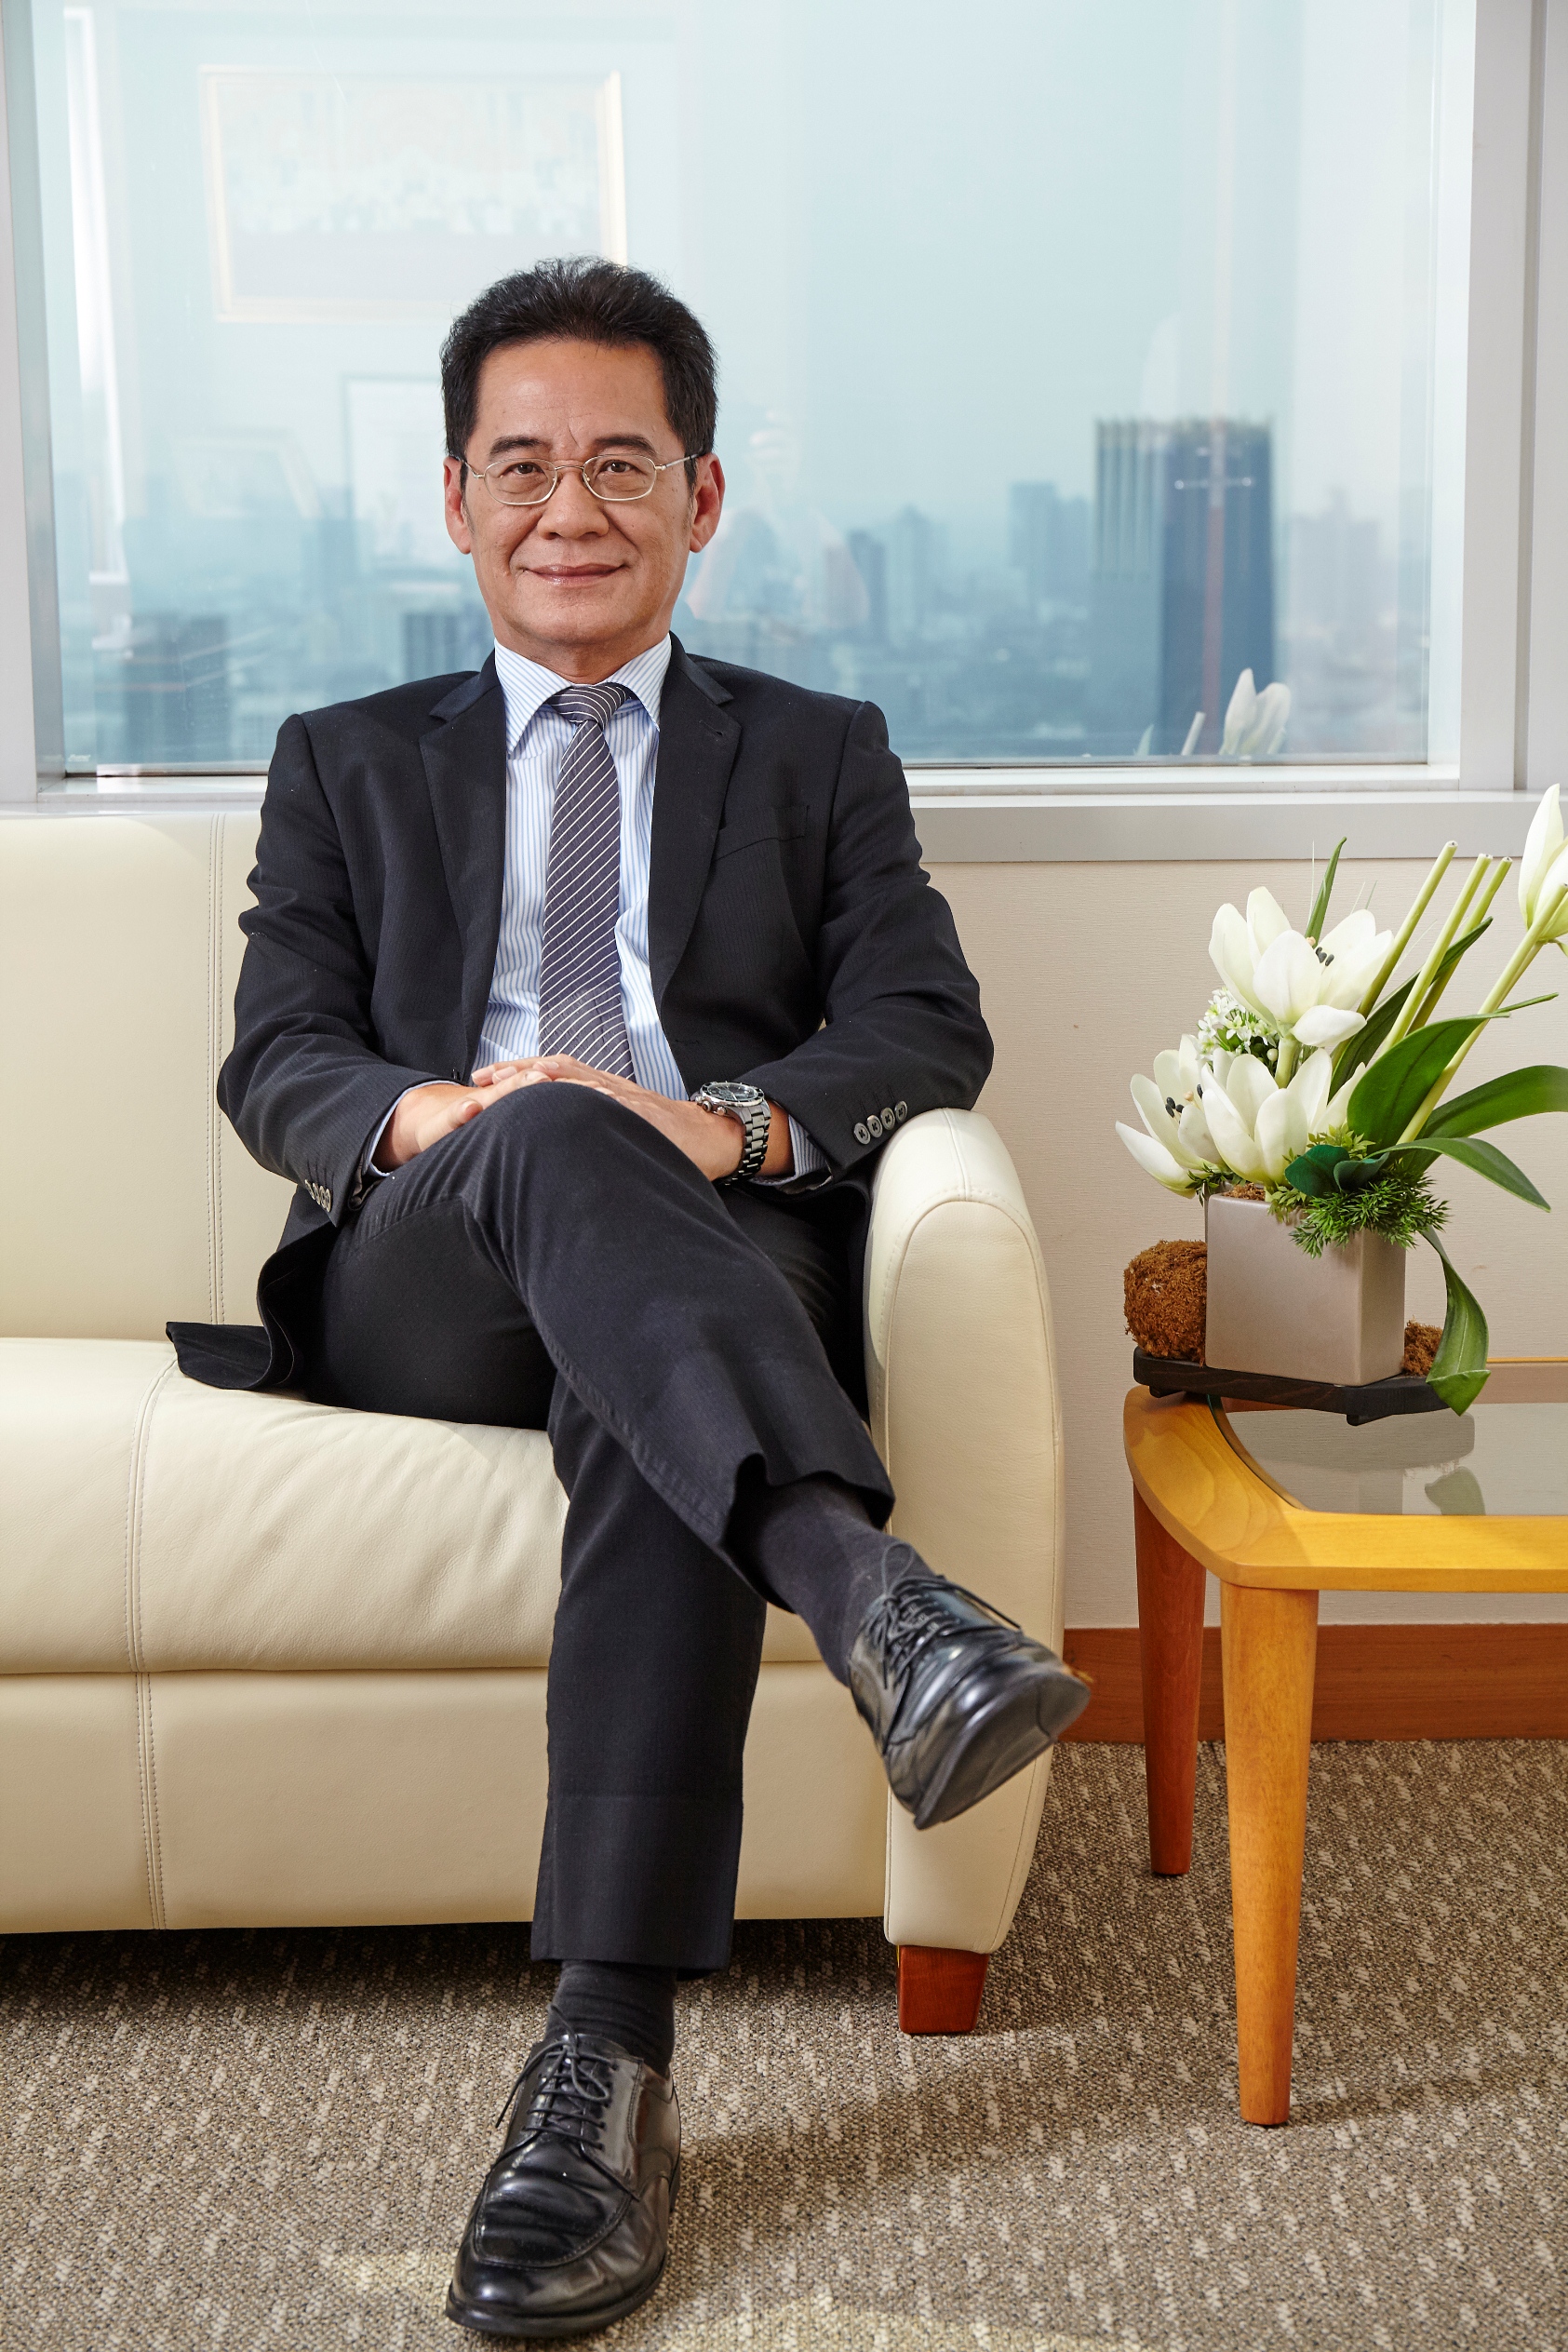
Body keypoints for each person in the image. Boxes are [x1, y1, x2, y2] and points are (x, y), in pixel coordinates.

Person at [171, 257, 1088, 2343]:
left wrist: (725, 1129)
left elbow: (922, 1025)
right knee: (557, 1130)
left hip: (700, 1266)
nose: (567, 508)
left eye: (618, 463)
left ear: (702, 494)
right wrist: (455, 1116)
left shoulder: (821, 751)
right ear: (454, 498)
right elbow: (278, 1057)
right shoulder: (344, 759)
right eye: (521, 467)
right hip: (430, 1267)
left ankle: (603, 2073)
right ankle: (875, 1602)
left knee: (643, 1351)